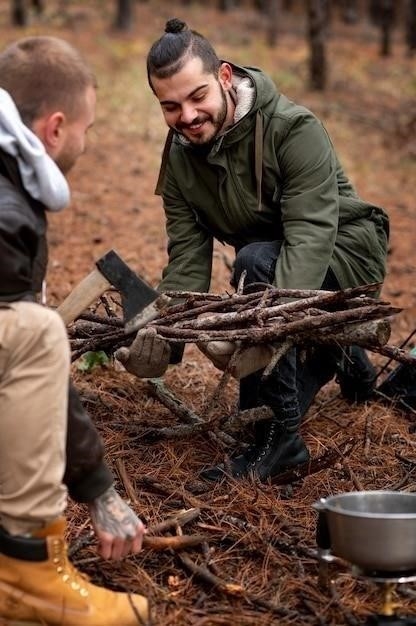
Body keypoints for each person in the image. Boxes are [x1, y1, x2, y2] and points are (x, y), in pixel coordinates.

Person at [118, 18, 389, 484]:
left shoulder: (292, 128)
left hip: (346, 250)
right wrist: (164, 338)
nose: (186, 116)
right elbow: (186, 258)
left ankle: (278, 443)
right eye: (170, 106)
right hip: (273, 268)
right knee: (258, 263)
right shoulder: (181, 159)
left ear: (224, 77)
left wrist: (256, 327)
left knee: (254, 263)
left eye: (197, 96)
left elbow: (308, 237)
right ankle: (344, 355)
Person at [0, 37, 149, 625]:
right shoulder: (6, 213)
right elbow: (32, 355)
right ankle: (28, 570)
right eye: (88, 128)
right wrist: (99, 491)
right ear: (56, 127)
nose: (87, 143)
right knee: (35, 333)